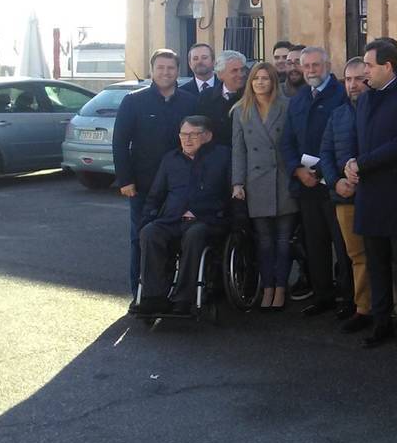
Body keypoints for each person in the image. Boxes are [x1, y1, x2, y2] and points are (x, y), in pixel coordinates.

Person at [348, 38, 397, 352]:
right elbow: (359, 139)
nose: (365, 71)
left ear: (387, 66)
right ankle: (381, 323)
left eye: (369, 65)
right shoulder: (366, 99)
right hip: (370, 194)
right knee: (377, 265)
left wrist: (362, 163)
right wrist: (350, 163)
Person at [113, 50, 198, 290]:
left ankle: (167, 291)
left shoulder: (189, 101)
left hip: (179, 186)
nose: (165, 72)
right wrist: (125, 180)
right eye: (160, 67)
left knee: (172, 239)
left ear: (177, 71)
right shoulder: (133, 100)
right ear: (152, 70)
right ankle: (139, 294)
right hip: (143, 184)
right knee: (140, 239)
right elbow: (120, 142)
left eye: (170, 68)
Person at [133, 115, 231, 315]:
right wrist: (146, 220)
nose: (187, 139)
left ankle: (183, 298)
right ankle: (154, 297)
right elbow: (155, 195)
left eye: (194, 135)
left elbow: (230, 193)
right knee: (149, 233)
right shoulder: (171, 159)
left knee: (194, 236)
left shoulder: (223, 156)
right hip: (171, 219)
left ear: (208, 136)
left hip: (205, 219)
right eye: (184, 134)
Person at [282, 46, 348, 318]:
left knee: (343, 244)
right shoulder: (297, 100)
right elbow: (286, 141)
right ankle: (323, 296)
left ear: (327, 65)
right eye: (305, 66)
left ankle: (349, 298)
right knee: (315, 244)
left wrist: (322, 172)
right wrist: (297, 170)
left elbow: (346, 139)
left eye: (315, 65)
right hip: (306, 186)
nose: (310, 70)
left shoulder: (342, 94)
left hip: (333, 184)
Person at [231, 61, 298, 310]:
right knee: (264, 241)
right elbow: (238, 151)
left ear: (273, 82)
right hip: (256, 182)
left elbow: (294, 143)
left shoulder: (287, 107)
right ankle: (266, 287)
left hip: (283, 182)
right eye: (256, 78)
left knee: (283, 240)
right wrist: (237, 182)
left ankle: (281, 288)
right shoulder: (240, 110)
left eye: (265, 78)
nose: (260, 82)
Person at [321, 58, 374, 331]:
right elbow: (326, 153)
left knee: (387, 256)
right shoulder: (337, 115)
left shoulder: (379, 110)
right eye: (348, 80)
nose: (353, 85)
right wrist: (335, 181)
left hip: (376, 196)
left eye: (358, 79)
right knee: (357, 256)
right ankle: (363, 308)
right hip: (345, 197)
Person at [200, 49, 246, 148]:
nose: (241, 74)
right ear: (220, 74)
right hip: (215, 156)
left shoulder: (251, 96)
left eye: (242, 69)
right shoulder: (205, 97)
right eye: (234, 71)